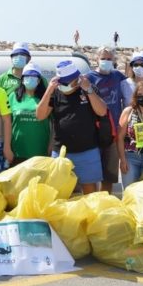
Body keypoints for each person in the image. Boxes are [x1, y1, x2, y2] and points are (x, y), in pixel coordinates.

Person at [36, 60, 108, 194]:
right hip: (61, 152)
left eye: (70, 81)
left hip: (87, 150)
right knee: (58, 192)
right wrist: (49, 90)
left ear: (77, 79)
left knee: (90, 191)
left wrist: (89, 90)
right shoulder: (55, 92)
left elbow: (102, 111)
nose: (67, 85)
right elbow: (40, 116)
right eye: (63, 82)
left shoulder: (88, 89)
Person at [88, 46, 131, 192]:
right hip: (94, 131)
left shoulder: (118, 76)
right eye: (103, 58)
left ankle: (105, 201)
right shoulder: (89, 78)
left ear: (113, 61)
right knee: (92, 174)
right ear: (96, 59)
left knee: (110, 174)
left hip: (114, 132)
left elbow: (133, 84)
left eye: (109, 59)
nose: (106, 61)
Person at [8, 62, 50, 163]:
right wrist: (7, 148)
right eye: (27, 76)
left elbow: (54, 124)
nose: (30, 79)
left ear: (39, 80)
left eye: (34, 76)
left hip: (40, 151)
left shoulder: (47, 98)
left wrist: (51, 146)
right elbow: (7, 124)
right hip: (18, 150)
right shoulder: (13, 97)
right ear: (22, 79)